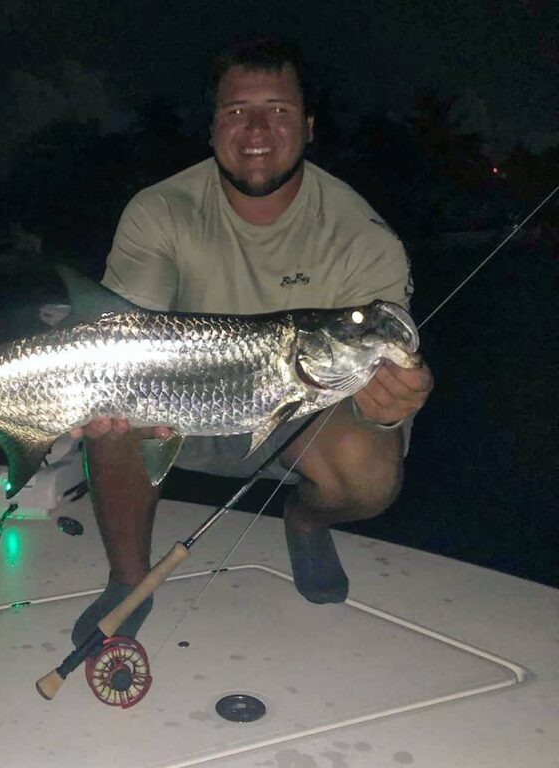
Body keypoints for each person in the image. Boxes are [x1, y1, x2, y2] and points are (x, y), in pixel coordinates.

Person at [69, 37, 433, 645]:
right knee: (116, 419)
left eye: (279, 110)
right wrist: (104, 391)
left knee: (370, 473)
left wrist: (403, 388)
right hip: (183, 408)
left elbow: (392, 342)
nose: (258, 128)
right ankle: (127, 580)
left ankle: (307, 520)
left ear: (309, 126)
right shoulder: (160, 211)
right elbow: (125, 333)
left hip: (308, 416)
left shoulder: (362, 236)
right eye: (237, 111)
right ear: (212, 129)